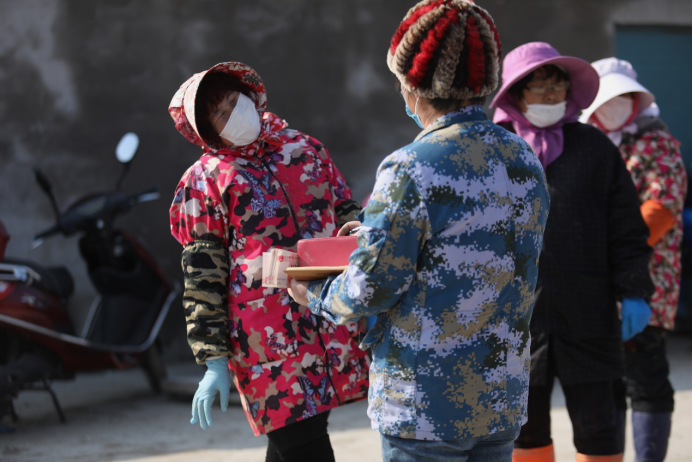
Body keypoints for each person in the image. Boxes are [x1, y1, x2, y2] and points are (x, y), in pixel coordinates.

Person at [289, 1, 550, 461]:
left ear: (413, 84)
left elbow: (372, 287)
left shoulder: (411, 166)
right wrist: (374, 228)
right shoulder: (524, 158)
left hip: (427, 402)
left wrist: (311, 292)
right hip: (499, 397)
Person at [167, 62, 370, 462]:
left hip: (327, 315)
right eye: (221, 114)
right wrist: (214, 358)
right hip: (266, 341)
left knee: (301, 435)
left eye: (232, 100)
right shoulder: (206, 179)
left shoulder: (305, 150)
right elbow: (203, 274)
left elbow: (348, 212)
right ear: (207, 132)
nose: (234, 112)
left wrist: (362, 235)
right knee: (304, 444)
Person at [490, 43, 656, 462]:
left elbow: (626, 228)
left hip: (589, 311)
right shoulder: (494, 149)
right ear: (514, 93)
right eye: (539, 87)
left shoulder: (595, 147)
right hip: (514, 317)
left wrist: (634, 290)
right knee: (522, 428)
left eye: (557, 86)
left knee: (599, 425)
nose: (549, 95)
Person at [580, 58, 688, 462]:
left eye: (621, 98)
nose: (613, 107)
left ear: (635, 99)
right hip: (594, 285)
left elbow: (661, 208)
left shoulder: (657, 144)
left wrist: (610, 249)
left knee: (644, 377)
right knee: (605, 383)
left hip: (644, 281)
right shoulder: (587, 145)